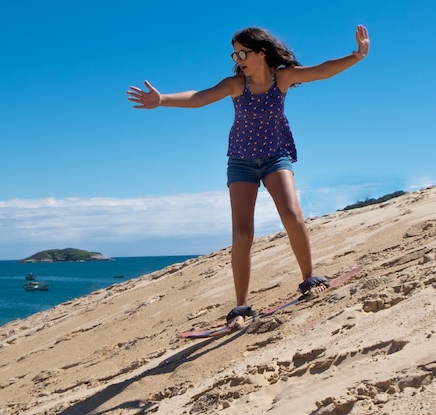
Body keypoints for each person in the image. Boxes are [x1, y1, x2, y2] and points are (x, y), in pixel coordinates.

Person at [127, 25, 370, 328]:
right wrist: (162, 99)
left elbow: (321, 70)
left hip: (275, 156)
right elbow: (200, 97)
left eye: (243, 52)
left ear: (262, 52)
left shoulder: (283, 77)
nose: (238, 58)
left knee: (293, 215)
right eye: (235, 53)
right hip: (240, 163)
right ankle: (241, 306)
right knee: (242, 233)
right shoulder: (235, 84)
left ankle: (310, 278)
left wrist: (357, 56)